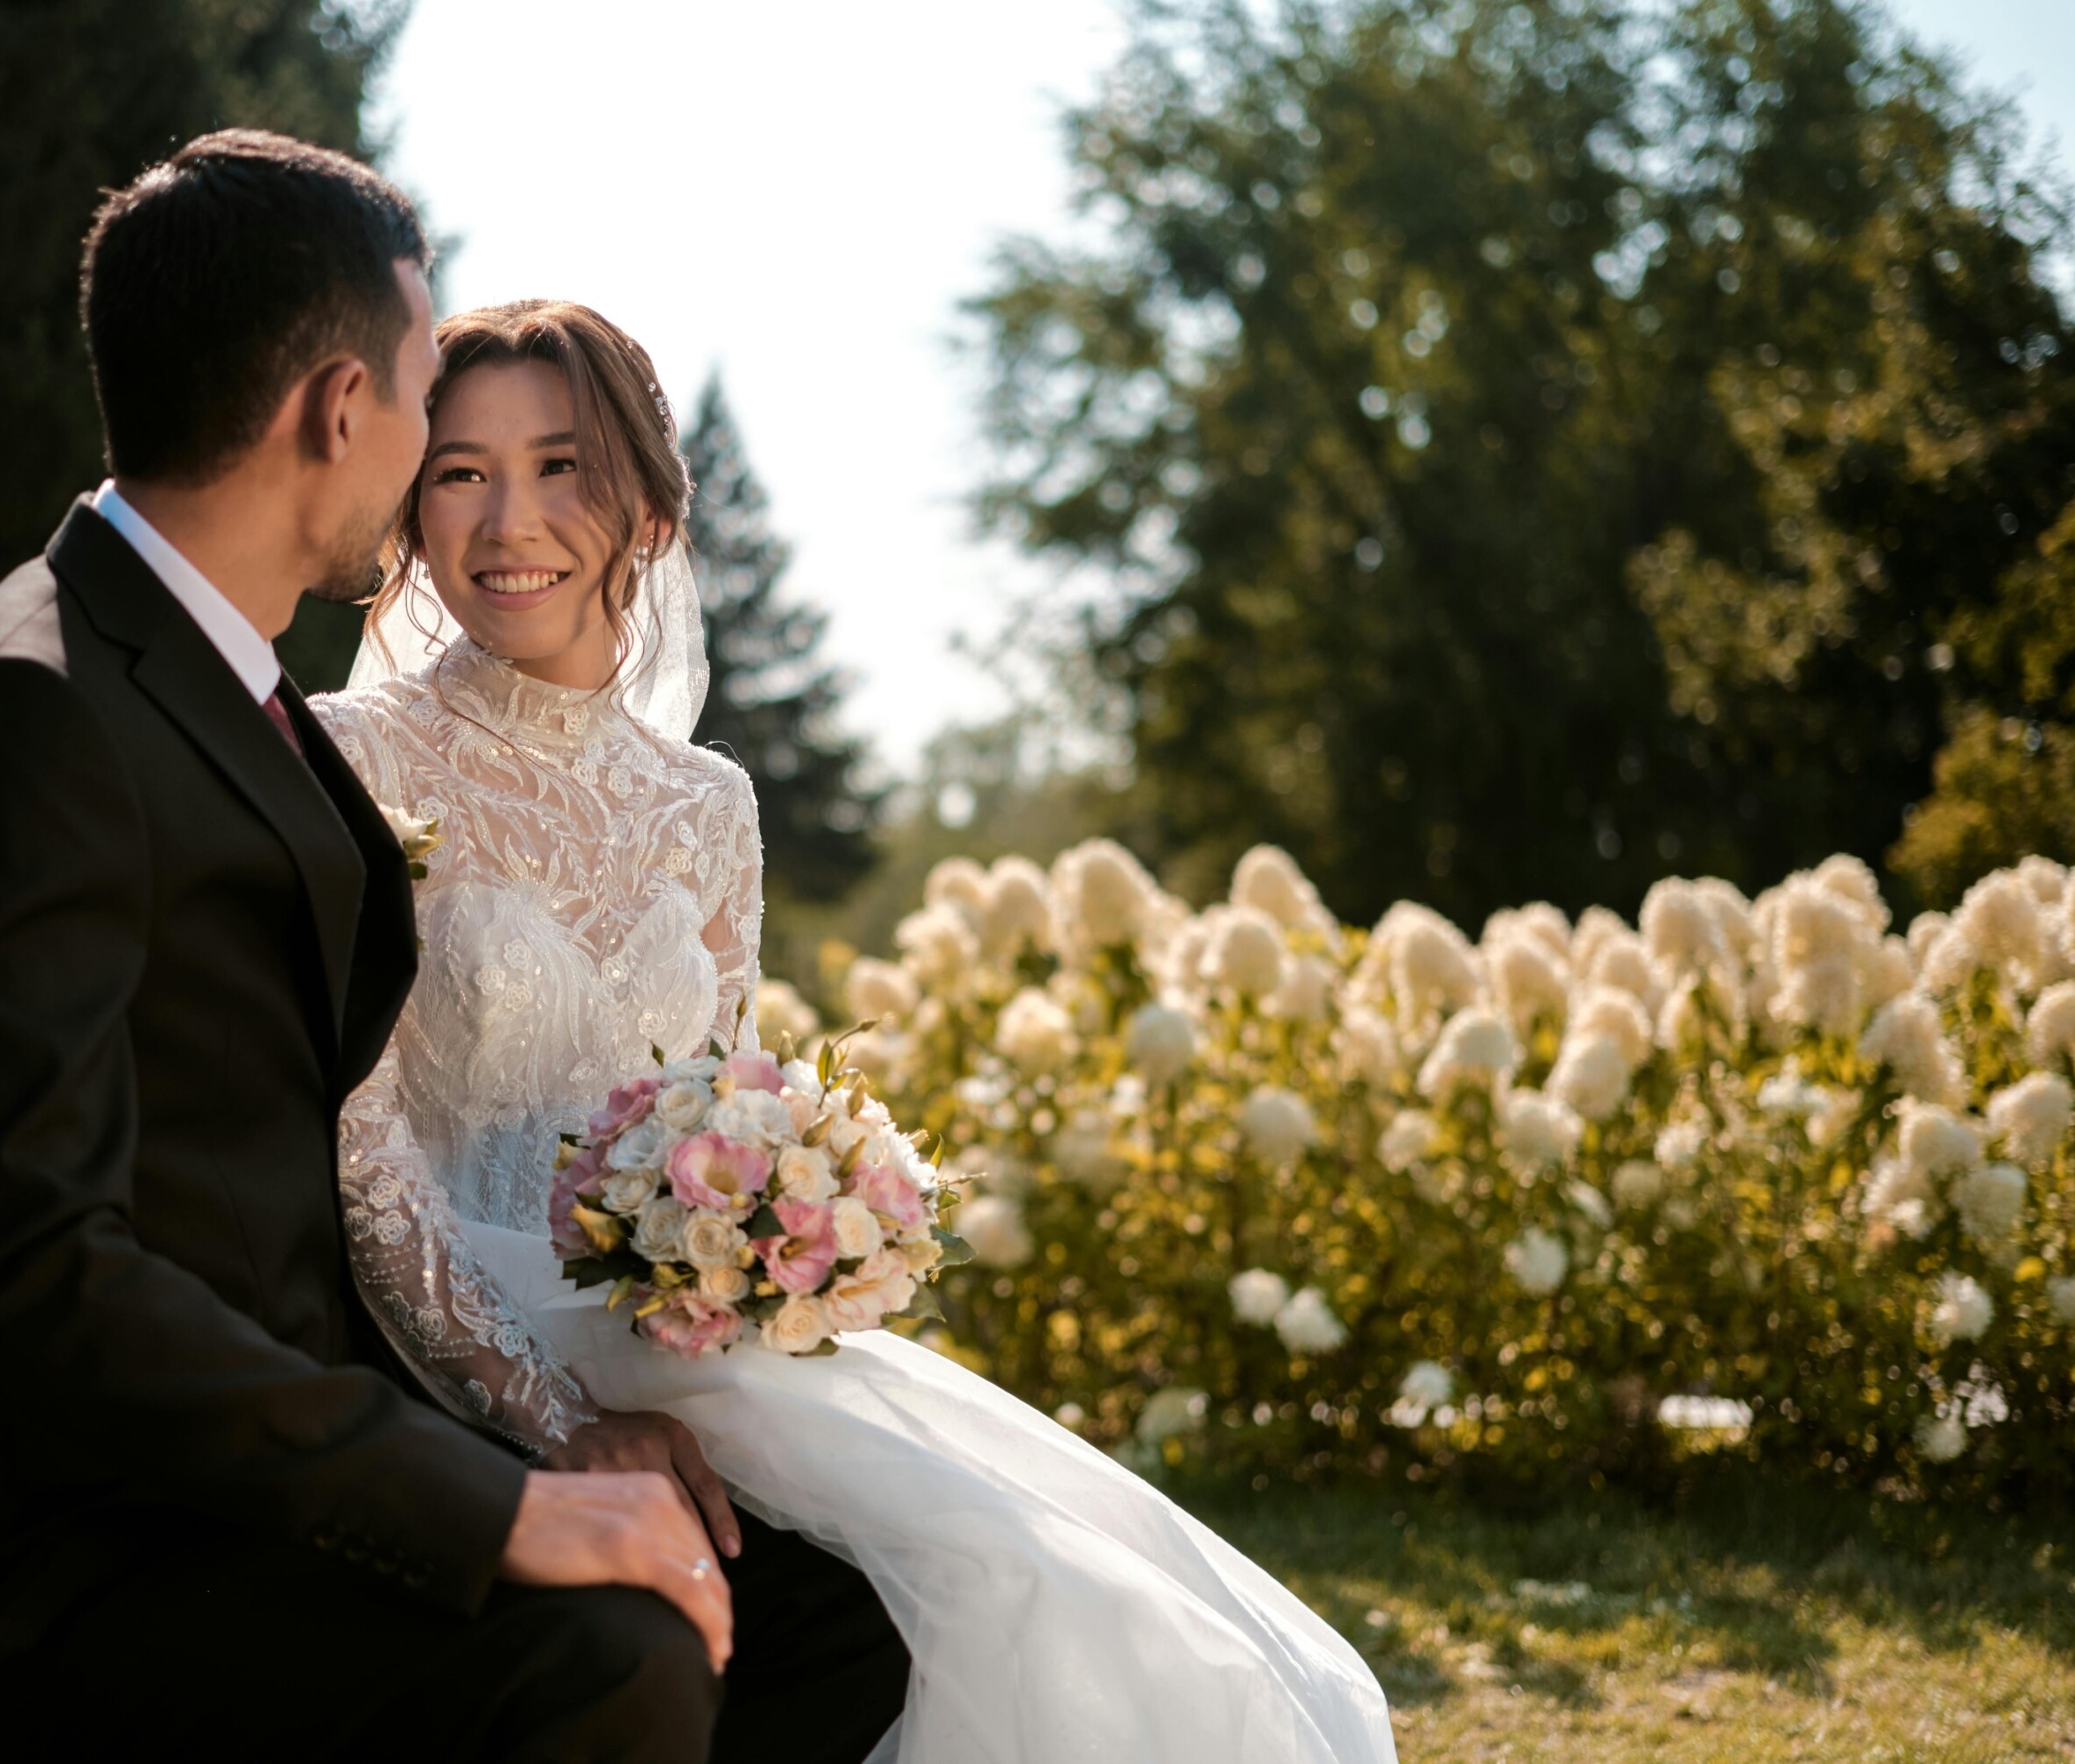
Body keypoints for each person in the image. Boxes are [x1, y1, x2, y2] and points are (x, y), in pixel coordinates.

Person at [0, 131, 906, 1764]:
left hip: (266, 1455)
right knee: (623, 1657)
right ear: (341, 412)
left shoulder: (211, 688)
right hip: (72, 1551)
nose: (440, 481)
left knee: (829, 1629)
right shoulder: (25, 710)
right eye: (423, 413)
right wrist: (491, 1502)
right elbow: (23, 1284)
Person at [311, 299, 1401, 1763]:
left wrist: (780, 1246)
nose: (513, 520)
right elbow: (358, 1151)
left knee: (1003, 1579)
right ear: (411, 505)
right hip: (437, 1354)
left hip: (673, 1358)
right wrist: (558, 1417)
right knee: (828, 1617)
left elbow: (698, 1123)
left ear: (642, 504)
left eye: (563, 465)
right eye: (461, 471)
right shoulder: (353, 755)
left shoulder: (709, 808)